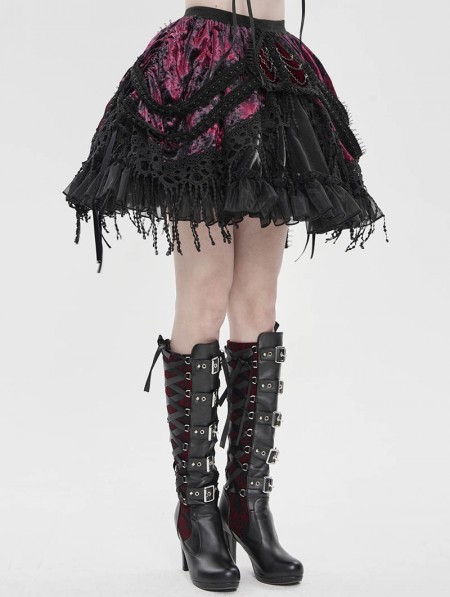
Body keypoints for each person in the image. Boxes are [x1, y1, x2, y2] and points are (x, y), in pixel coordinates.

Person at [62, 0, 389, 591]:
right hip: (205, 61)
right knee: (206, 291)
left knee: (259, 302)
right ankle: (197, 511)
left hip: (273, 71)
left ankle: (248, 504)